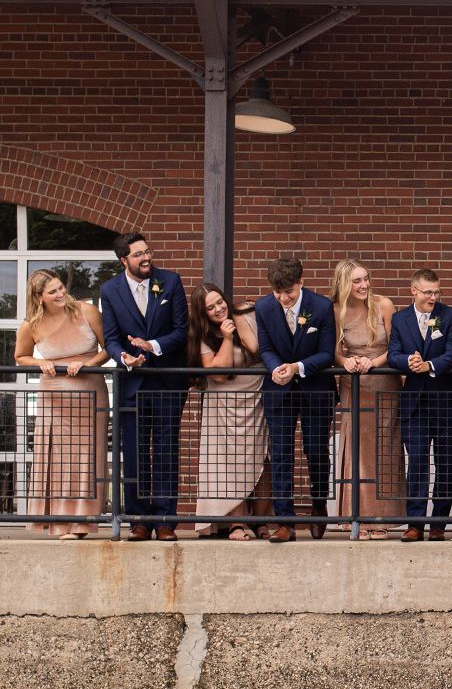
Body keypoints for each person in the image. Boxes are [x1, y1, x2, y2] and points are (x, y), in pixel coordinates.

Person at [99, 232, 189, 541]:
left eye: (147, 251)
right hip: (132, 384)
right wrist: (123, 356)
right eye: (138, 254)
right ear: (124, 260)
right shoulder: (109, 290)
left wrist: (150, 345)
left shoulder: (171, 281)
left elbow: (181, 331)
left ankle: (164, 520)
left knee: (165, 452)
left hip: (167, 382)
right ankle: (137, 519)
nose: (146, 257)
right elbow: (110, 337)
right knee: (135, 454)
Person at [16, 270, 108, 539]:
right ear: (38, 297)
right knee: (57, 458)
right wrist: (39, 362)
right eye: (53, 292)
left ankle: (82, 523)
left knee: (86, 457)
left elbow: (108, 348)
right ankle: (58, 523)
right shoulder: (30, 325)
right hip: (53, 397)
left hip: (89, 392)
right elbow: (21, 356)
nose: (60, 295)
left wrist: (88, 364)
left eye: (60, 288)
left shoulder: (86, 311)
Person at [255, 256, 337, 543]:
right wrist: (276, 367)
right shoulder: (264, 307)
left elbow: (327, 354)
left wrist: (297, 368)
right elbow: (264, 347)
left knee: (315, 451)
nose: (284, 299)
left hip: (316, 388)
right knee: (280, 454)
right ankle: (284, 521)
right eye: (278, 293)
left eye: (289, 292)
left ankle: (318, 506)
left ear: (301, 283)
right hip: (279, 390)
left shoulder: (322, 307)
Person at [388, 268, 452, 542]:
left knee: (446, 463)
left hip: (447, 400)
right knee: (417, 462)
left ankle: (439, 523)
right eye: (428, 292)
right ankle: (415, 523)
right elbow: (393, 353)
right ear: (414, 291)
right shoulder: (399, 319)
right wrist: (407, 362)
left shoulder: (451, 316)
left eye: (436, 292)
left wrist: (429, 365)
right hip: (416, 402)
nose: (433, 297)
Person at [189, 283, 270, 541]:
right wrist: (226, 337)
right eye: (210, 307)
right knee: (230, 462)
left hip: (256, 396)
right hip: (224, 402)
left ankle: (260, 520)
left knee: (262, 460)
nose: (218, 309)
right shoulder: (203, 334)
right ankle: (237, 522)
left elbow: (257, 348)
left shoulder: (245, 313)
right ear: (203, 313)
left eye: (219, 302)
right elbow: (218, 372)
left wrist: (237, 320)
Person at [331, 260, 401, 539]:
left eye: (366, 279)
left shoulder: (384, 305)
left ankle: (381, 518)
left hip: (383, 381)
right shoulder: (336, 310)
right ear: (344, 284)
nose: (364, 286)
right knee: (357, 448)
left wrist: (374, 362)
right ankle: (355, 516)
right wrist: (345, 362)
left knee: (384, 447)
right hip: (354, 383)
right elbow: (333, 350)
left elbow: (397, 346)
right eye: (357, 281)